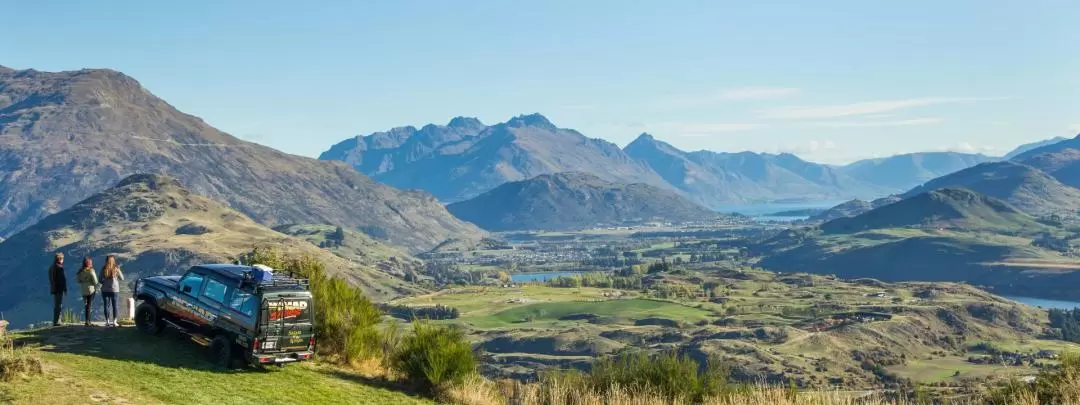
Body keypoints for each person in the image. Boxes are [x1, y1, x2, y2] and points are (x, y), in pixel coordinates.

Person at [99, 255, 124, 327]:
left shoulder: (103, 268)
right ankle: (115, 321)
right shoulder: (116, 268)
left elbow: (99, 279)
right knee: (115, 305)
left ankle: (107, 321)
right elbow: (122, 278)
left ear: (106, 260)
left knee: (106, 306)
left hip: (105, 289)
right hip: (114, 289)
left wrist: (105, 282)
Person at [75, 257, 99, 327]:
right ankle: (88, 321)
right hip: (90, 290)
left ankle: (87, 320)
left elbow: (78, 280)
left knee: (86, 305)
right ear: (89, 263)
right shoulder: (91, 271)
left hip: (83, 290)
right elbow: (95, 281)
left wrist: (83, 282)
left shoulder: (80, 271)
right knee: (89, 305)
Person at [48, 252, 68, 326]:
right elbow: (62, 279)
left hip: (54, 288)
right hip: (59, 288)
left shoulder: (52, 267)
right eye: (62, 259)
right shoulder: (59, 268)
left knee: (56, 304)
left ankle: (55, 320)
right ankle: (57, 321)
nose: (63, 260)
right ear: (60, 259)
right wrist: (65, 289)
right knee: (59, 305)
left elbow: (51, 278)